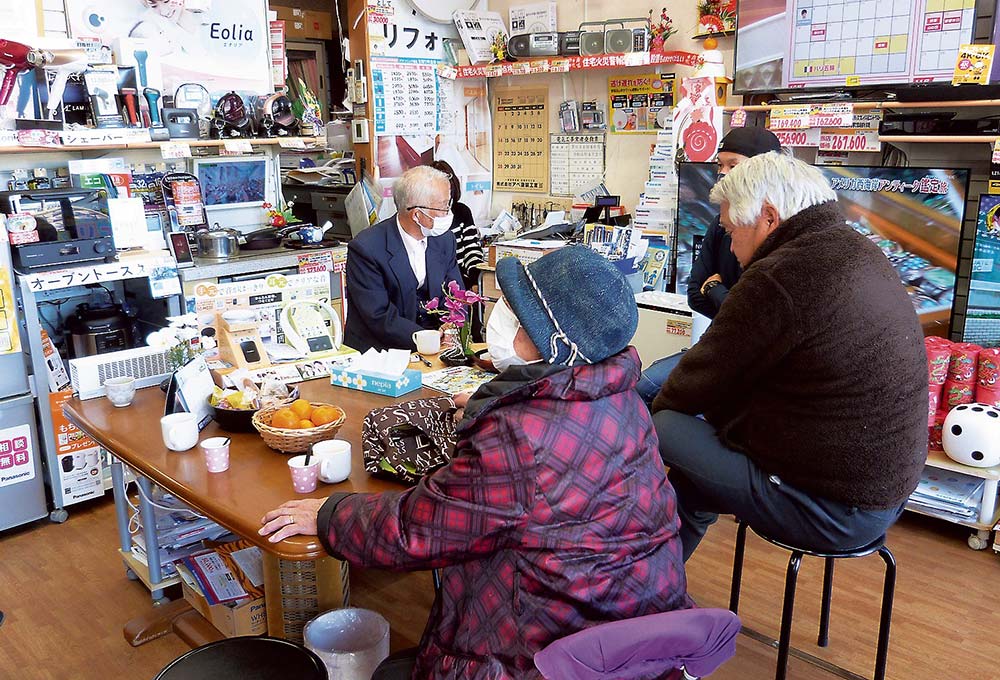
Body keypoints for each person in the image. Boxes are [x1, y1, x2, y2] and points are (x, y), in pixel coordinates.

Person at [261, 245, 690, 679]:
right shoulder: (620, 398)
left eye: (519, 317)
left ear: (552, 343)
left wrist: (329, 513)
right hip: (633, 631)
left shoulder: (520, 436)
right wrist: (493, 403)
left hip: (554, 654)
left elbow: (416, 529)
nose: (504, 317)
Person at [651, 152, 928, 562]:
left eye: (730, 231)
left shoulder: (779, 274)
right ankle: (658, 585)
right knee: (694, 482)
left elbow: (690, 387)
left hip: (831, 509)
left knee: (659, 422)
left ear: (767, 217)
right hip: (883, 496)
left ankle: (633, 578)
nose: (730, 245)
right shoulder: (856, 248)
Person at [635, 127, 782, 405]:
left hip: (753, 363)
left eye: (733, 165)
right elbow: (694, 293)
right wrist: (725, 299)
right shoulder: (719, 223)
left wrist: (714, 287)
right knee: (644, 385)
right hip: (716, 344)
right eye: (720, 165)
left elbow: (753, 319)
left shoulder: (780, 235)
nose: (723, 173)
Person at [343, 166, 464, 352]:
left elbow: (455, 295)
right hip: (380, 352)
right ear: (417, 214)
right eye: (443, 206)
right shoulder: (366, 248)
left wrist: (450, 326)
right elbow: (377, 314)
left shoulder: (444, 240)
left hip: (435, 347)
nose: (449, 213)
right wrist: (427, 338)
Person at [429, 160, 485, 290]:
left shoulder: (462, 211)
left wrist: (475, 279)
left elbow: (472, 251)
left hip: (463, 282)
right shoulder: (425, 217)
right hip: (436, 285)